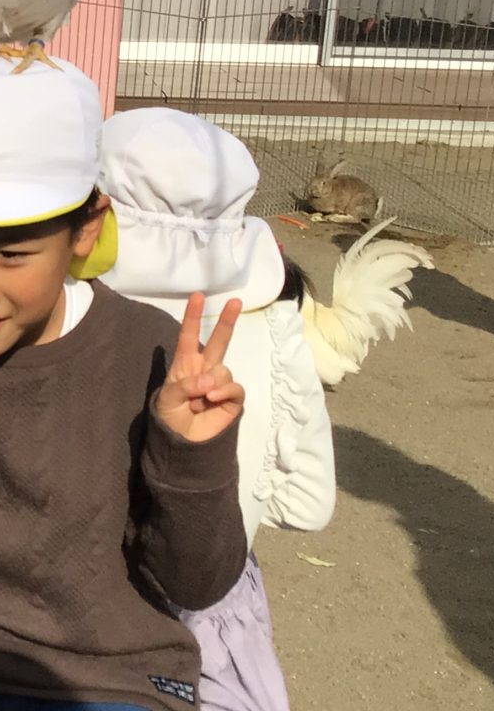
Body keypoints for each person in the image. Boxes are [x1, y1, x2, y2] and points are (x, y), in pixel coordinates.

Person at [0, 55, 250, 711]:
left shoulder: (149, 353)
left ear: (86, 230)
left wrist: (192, 457)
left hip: (108, 672)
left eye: (11, 253)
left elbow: (195, 584)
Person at [96, 108, 339, 711]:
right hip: (216, 629)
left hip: (89, 618)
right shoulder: (276, 325)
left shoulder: (75, 327)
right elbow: (308, 504)